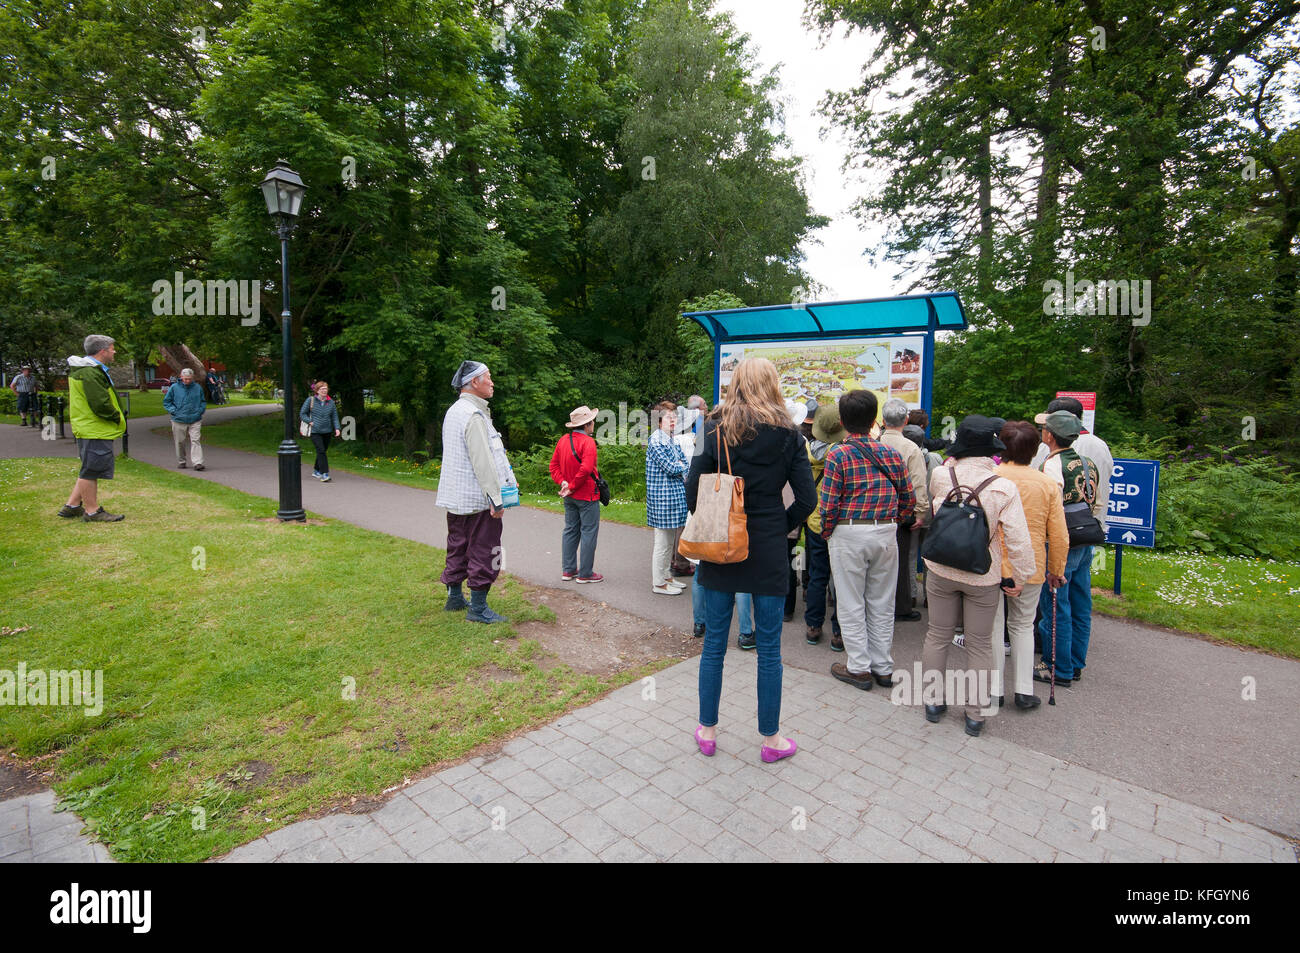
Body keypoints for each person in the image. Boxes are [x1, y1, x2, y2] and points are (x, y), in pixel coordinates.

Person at [687, 358, 815, 763]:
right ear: (773, 385)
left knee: (714, 645)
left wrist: (713, 516)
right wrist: (779, 528)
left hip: (721, 544)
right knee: (769, 650)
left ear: (736, 384)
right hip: (768, 546)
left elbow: (693, 490)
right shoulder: (790, 435)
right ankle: (771, 740)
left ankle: (708, 731)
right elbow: (808, 500)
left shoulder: (712, 427)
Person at [920, 415, 1036, 736]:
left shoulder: (942, 474)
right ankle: (975, 714)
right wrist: (1022, 576)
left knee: (937, 635)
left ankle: (933, 701)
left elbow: (937, 508)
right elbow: (1018, 540)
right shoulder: (1003, 487)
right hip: (983, 575)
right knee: (981, 644)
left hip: (941, 567)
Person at [821, 389, 916, 692]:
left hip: (848, 531)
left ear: (842, 421)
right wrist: (893, 520)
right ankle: (883, 667)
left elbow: (829, 502)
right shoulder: (892, 453)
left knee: (850, 601)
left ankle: (858, 667)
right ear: (875, 419)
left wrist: (827, 530)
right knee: (882, 601)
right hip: (886, 531)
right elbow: (908, 499)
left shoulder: (838, 454)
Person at [991, 421, 1068, 711]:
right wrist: (1057, 569)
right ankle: (1023, 690)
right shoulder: (1047, 483)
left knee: (994, 627)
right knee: (1023, 626)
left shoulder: (992, 476)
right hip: (1030, 564)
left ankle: (994, 689)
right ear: (1036, 449)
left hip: (994, 563)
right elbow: (1059, 532)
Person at [436, 360, 517, 624]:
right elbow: (482, 460)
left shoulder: (455, 411)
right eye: (488, 377)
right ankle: (478, 609)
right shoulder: (473, 415)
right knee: (486, 549)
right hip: (478, 500)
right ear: (474, 382)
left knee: (457, 545)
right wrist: (495, 498)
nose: (492, 382)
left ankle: (455, 597)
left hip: (457, 498)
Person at [1033, 410, 1100, 686]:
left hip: (1063, 539)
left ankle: (1056, 666)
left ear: (1049, 435)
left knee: (1055, 603)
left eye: (1043, 428)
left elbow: (1052, 504)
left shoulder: (1052, 464)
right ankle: (1075, 662)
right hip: (1086, 533)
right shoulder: (1087, 462)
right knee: (1081, 601)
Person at [59, 335, 127, 522]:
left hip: (90, 427)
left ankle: (72, 506)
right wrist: (115, 416)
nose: (115, 351)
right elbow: (100, 403)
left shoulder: (87, 370)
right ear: (102, 351)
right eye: (112, 348)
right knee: (92, 469)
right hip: (94, 428)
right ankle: (92, 511)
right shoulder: (90, 373)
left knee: (89, 466)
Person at [879, 398, 931, 621]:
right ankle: (900, 607)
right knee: (899, 562)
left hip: (876, 510)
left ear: (883, 420)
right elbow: (918, 482)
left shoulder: (874, 442)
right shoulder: (911, 448)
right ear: (906, 420)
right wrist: (920, 512)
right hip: (901, 513)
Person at [803, 403, 845, 651]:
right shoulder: (844, 453)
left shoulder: (806, 450)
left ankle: (813, 626)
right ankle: (839, 632)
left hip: (815, 521)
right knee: (841, 579)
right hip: (839, 522)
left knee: (817, 575)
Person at [549, 405, 603, 583]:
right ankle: (586, 573)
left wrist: (563, 483)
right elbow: (586, 469)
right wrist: (571, 485)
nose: (593, 423)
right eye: (592, 421)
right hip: (587, 495)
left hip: (569, 495)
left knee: (570, 530)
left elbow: (553, 466)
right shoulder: (588, 442)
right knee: (588, 532)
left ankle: (568, 570)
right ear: (587, 424)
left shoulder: (563, 440)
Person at [671, 395, 710, 576]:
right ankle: (682, 562)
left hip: (679, 481)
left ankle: (675, 559)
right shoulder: (694, 434)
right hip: (690, 480)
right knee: (685, 523)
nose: (707, 407)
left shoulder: (675, 435)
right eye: (704, 406)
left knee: (679, 522)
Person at [164, 368, 207, 470]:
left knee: (195, 440)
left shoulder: (197, 388)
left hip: (195, 418)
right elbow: (167, 402)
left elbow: (203, 401)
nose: (187, 381)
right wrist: (174, 411)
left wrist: (200, 411)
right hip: (178, 419)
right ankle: (182, 461)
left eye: (189, 379)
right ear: (181, 377)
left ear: (192, 378)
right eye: (185, 378)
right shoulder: (174, 387)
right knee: (180, 441)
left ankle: (197, 463)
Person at [300, 380, 341, 482]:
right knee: (321, 451)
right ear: (317, 390)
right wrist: (310, 421)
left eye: (326, 389)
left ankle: (316, 470)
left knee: (322, 451)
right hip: (315, 431)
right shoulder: (311, 400)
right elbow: (302, 414)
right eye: (322, 389)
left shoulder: (330, 402)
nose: (324, 391)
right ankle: (324, 473)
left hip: (327, 431)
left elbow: (334, 416)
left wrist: (337, 428)